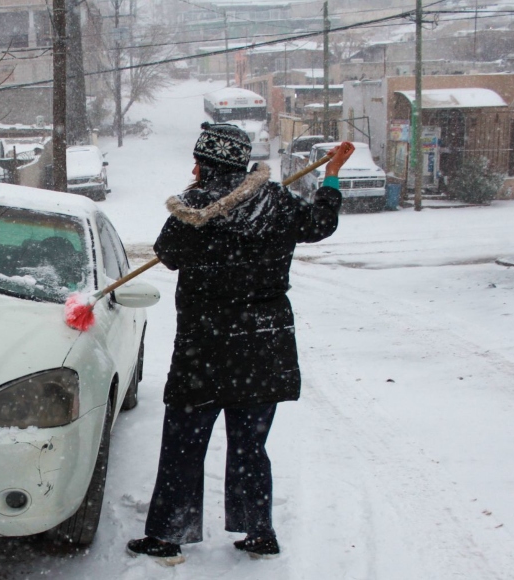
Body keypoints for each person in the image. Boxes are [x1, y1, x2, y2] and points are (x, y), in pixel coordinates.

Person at [126, 123, 354, 565]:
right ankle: (259, 531)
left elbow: (168, 253)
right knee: (251, 443)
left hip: (205, 347)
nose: (193, 166)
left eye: (198, 159)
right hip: (262, 345)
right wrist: (331, 177)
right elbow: (321, 224)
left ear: (208, 162)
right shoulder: (276, 200)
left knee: (184, 443)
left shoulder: (194, 206)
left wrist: (197, 211)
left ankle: (168, 535)